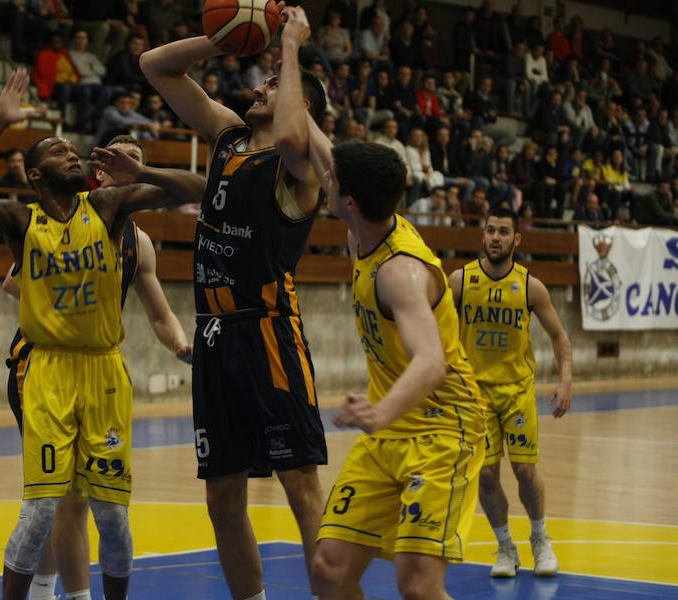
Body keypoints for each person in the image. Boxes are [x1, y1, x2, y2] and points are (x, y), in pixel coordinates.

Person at [0, 69, 204, 600]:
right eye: (57, 150)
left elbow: (206, 189)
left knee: (111, 513)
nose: (70, 152)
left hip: (104, 368)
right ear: (36, 174)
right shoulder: (21, 222)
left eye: (71, 148)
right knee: (42, 508)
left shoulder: (106, 207)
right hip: (47, 368)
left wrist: (143, 170)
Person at [282, 11, 486, 600]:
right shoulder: (362, 219)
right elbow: (307, 140)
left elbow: (431, 362)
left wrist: (379, 411)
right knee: (329, 570)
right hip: (392, 431)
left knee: (418, 585)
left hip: (444, 429)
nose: (323, 178)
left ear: (346, 200)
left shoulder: (400, 272)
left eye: (331, 182)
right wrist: (290, 50)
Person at [140, 10, 329, 599]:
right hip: (214, 335)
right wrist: (221, 38)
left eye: (274, 83)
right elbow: (155, 65)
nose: (260, 85)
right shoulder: (227, 135)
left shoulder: (300, 167)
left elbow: (294, 135)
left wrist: (291, 47)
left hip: (269, 334)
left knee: (301, 487)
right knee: (221, 497)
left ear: (299, 103)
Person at [4, 134, 193, 600]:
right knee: (60, 499)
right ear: (100, 168)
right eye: (116, 158)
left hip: (98, 365)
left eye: (135, 161)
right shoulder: (61, 216)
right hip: (41, 362)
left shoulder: (137, 241)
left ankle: (55, 590)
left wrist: (180, 344)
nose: (123, 166)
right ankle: (66, 594)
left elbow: (159, 313)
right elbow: (11, 282)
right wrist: (63, 303)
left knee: (95, 504)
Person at [448, 206, 573, 579]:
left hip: (517, 392)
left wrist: (565, 379)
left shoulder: (531, 286)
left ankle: (540, 538)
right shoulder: (460, 281)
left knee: (524, 471)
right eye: (490, 230)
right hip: (475, 395)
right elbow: (434, 328)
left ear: (516, 239)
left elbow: (559, 336)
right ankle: (505, 547)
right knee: (486, 476)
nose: (495, 237)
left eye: (503, 231)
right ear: (483, 235)